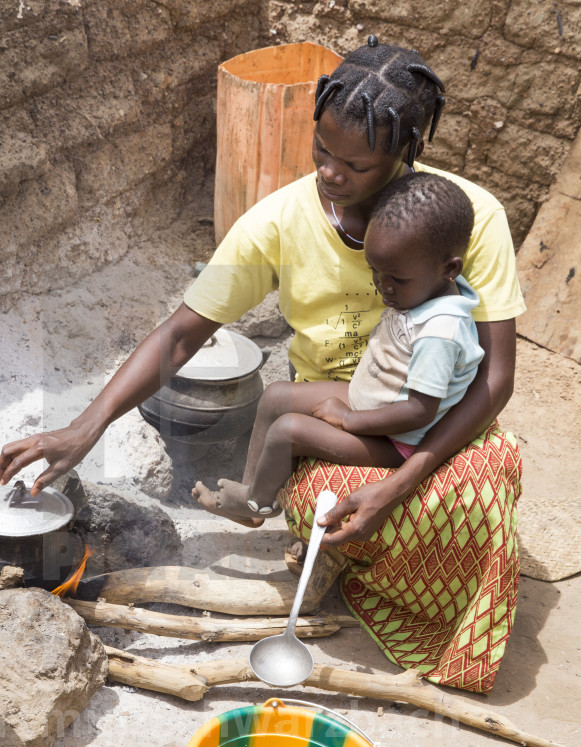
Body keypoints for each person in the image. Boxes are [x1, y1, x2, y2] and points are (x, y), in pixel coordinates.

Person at [0, 36, 524, 693]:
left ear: (404, 153)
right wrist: (88, 425)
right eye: (322, 150)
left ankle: (438, 626)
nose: (330, 174)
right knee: (330, 502)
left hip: (435, 416)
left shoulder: (464, 222)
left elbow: (495, 380)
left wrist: (397, 483)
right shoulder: (278, 222)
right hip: (333, 418)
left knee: (480, 484)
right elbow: (184, 333)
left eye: (355, 165)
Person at [191, 172, 484, 524]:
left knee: (287, 431)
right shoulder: (428, 283)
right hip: (372, 400)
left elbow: (420, 411)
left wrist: (349, 419)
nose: (382, 287)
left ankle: (258, 505)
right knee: (276, 397)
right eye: (375, 271)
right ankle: (254, 493)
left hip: (398, 440)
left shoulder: (440, 332)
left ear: (449, 268)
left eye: (397, 279)